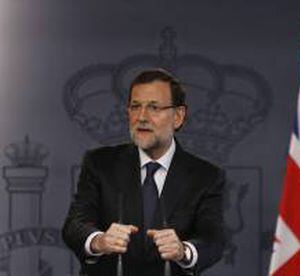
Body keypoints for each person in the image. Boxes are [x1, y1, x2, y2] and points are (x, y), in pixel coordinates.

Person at [62, 68, 225, 276]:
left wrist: (183, 251)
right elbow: (75, 224)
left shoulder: (205, 176)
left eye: (154, 108)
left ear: (178, 116)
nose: (142, 117)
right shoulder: (100, 163)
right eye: (135, 107)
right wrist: (99, 241)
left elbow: (212, 240)